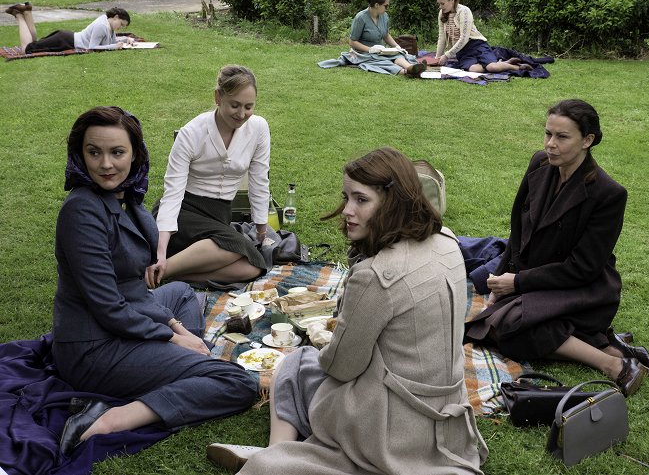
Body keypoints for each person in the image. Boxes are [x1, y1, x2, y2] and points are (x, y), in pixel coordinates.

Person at [207, 147, 488, 474]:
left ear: (394, 201)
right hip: (448, 417)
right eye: (347, 197)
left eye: (361, 200)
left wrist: (328, 344)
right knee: (303, 365)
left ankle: (278, 455)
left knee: (297, 362)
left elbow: (342, 368)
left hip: (390, 429)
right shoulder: (447, 242)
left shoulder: (377, 275)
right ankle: (279, 452)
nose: (347, 211)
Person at [53, 106, 257, 457]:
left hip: (123, 319)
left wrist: (176, 328)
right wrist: (172, 337)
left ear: (135, 154)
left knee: (179, 292)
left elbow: (133, 290)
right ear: (79, 154)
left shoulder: (126, 198)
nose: (105, 164)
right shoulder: (82, 211)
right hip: (94, 348)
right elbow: (108, 306)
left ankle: (180, 367)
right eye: (94, 152)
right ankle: (109, 417)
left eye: (117, 152)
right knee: (237, 382)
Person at [464, 99, 649, 397]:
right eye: (548, 134)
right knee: (490, 321)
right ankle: (603, 343)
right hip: (540, 281)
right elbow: (518, 230)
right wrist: (500, 283)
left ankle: (613, 365)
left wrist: (517, 282)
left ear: (587, 141)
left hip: (584, 289)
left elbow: (584, 267)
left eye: (562, 137)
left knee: (509, 325)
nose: (551, 144)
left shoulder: (608, 194)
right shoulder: (539, 164)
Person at [147, 65, 270, 288]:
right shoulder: (191, 133)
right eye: (234, 105)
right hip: (185, 213)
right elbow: (172, 193)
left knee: (253, 267)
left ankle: (168, 273)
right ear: (218, 97)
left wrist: (262, 227)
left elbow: (259, 179)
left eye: (248, 107)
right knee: (232, 246)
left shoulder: (259, 129)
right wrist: (160, 251)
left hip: (219, 216)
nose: (241, 114)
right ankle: (159, 269)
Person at [319, 0, 427, 76]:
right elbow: (352, 42)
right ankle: (406, 72)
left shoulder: (384, 16)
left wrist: (397, 46)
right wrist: (370, 49)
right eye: (386, 5)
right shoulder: (360, 18)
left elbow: (386, 35)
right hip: (363, 53)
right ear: (376, 5)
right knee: (381, 62)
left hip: (380, 51)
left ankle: (409, 67)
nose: (387, 8)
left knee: (398, 55)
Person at [433, 0, 529, 73]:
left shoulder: (464, 11)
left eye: (442, 3)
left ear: (452, 0)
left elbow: (464, 38)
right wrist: (437, 58)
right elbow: (441, 37)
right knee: (474, 69)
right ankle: (503, 64)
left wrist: (446, 55)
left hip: (476, 45)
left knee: (492, 67)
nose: (440, 7)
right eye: (439, 3)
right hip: (463, 52)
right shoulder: (441, 14)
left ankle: (516, 67)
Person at [4, 3, 136, 54]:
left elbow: (111, 40)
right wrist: (113, 47)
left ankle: (27, 11)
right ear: (116, 17)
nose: (121, 28)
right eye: (122, 25)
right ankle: (19, 16)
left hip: (66, 37)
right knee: (26, 49)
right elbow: (92, 47)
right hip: (65, 41)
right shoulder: (102, 26)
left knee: (34, 44)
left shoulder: (107, 22)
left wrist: (126, 38)